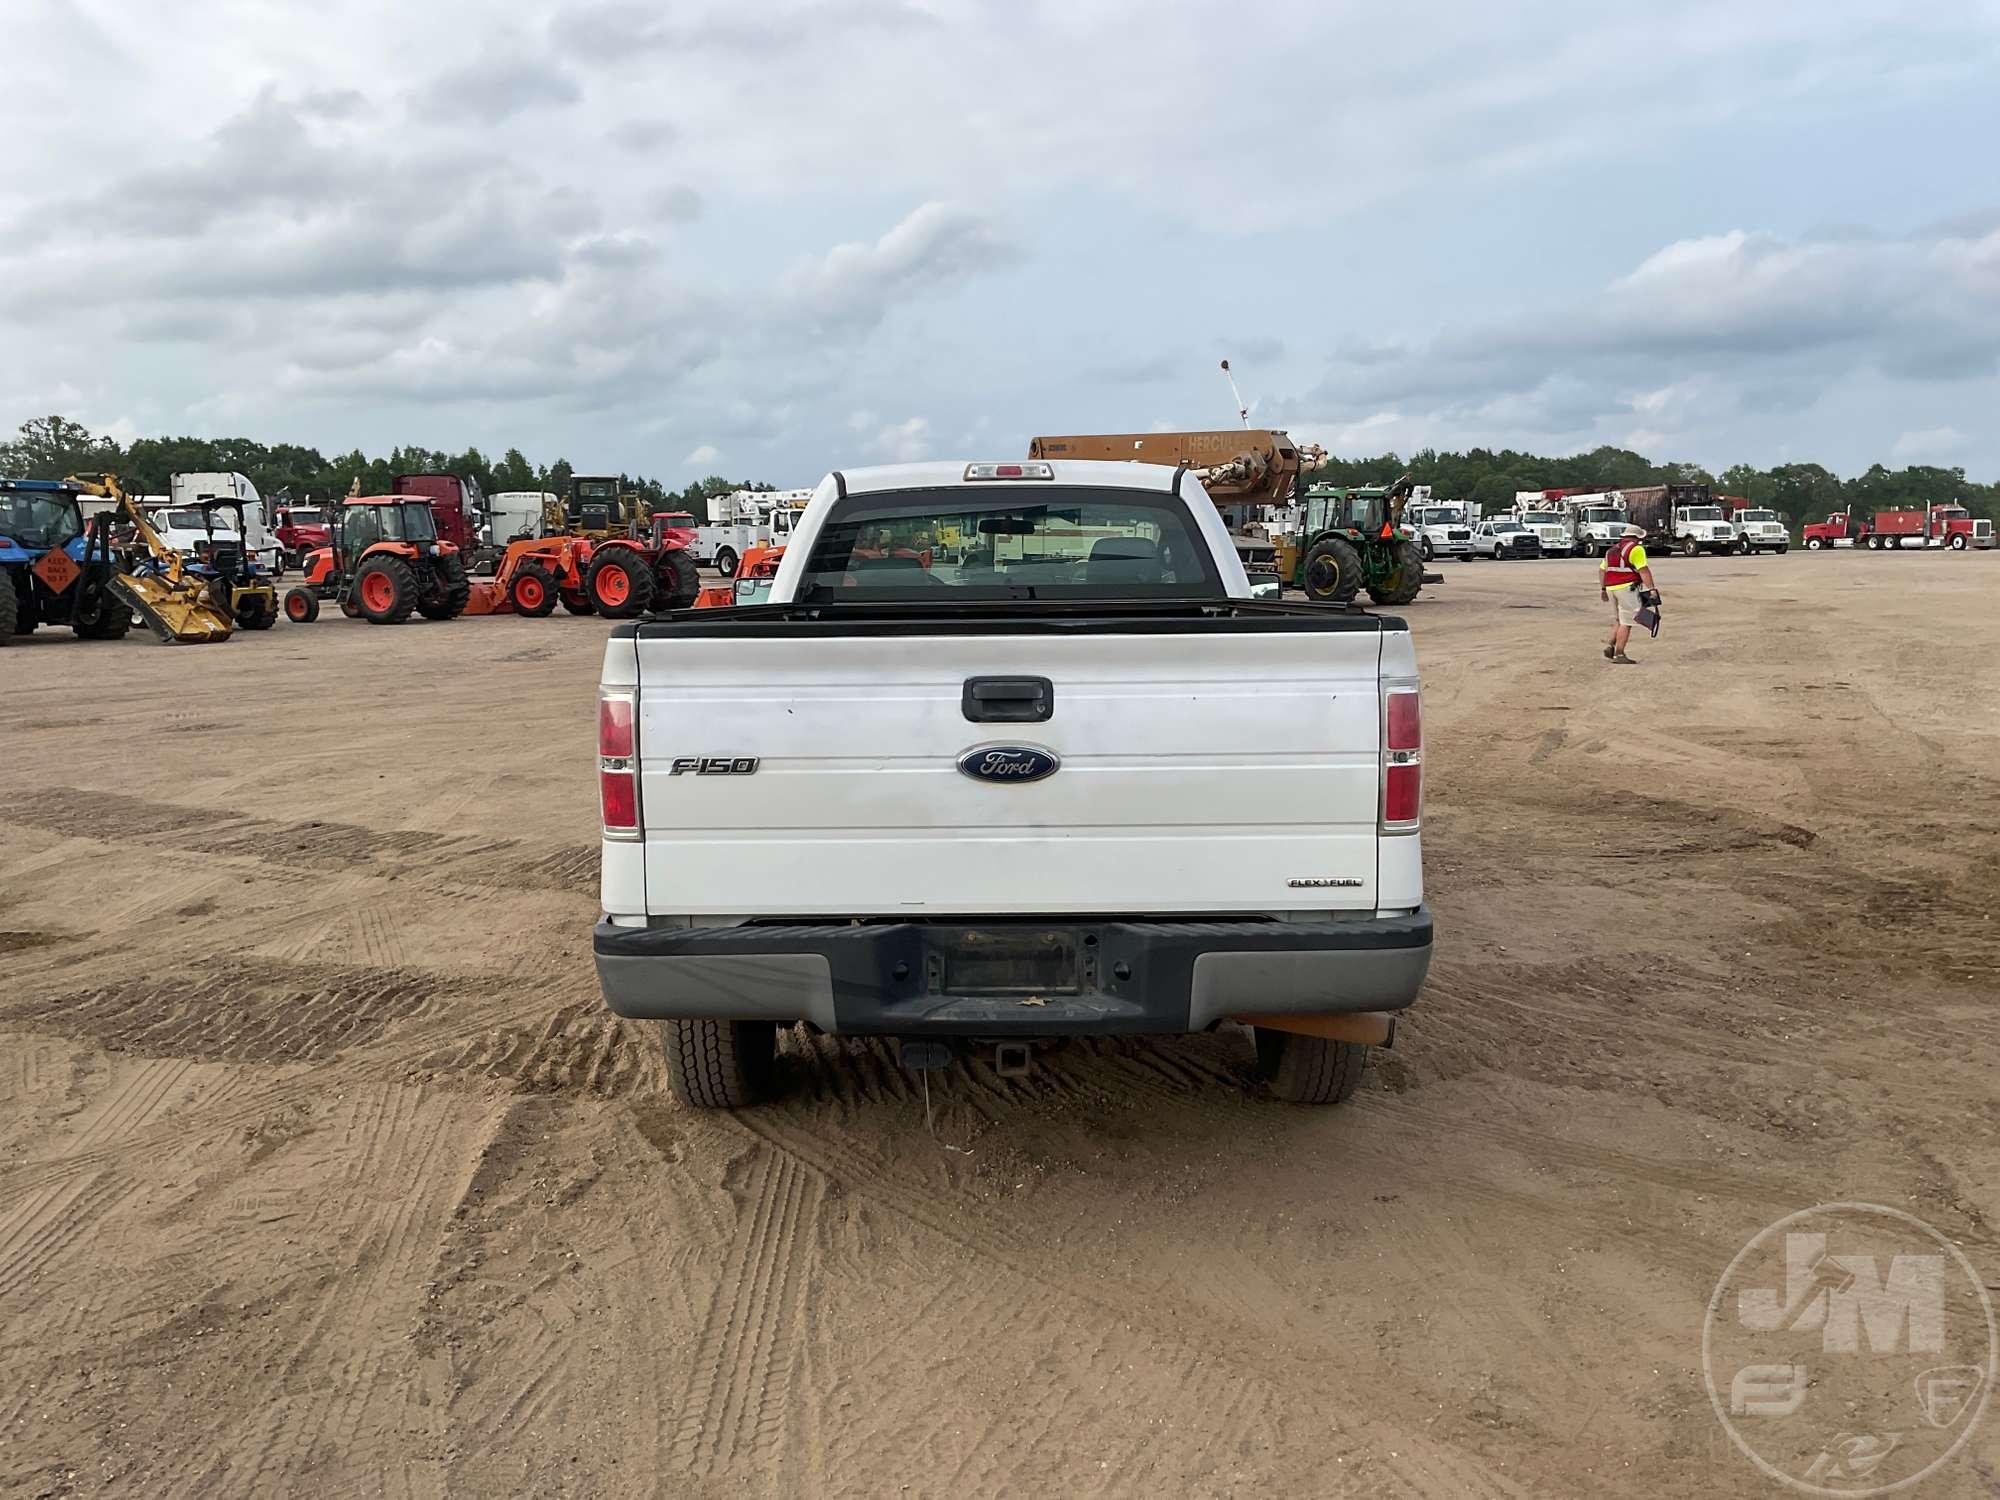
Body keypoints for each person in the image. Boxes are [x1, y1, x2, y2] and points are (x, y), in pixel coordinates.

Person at [1599, 524, 1659, 664]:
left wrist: (1603, 589)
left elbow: (1602, 570)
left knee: (1619, 619)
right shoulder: (1636, 549)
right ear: (1637, 538)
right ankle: (1619, 653)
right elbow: (1643, 571)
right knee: (1627, 622)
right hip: (1626, 588)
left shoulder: (1611, 550)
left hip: (1610, 588)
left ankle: (1610, 645)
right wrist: (1652, 589)